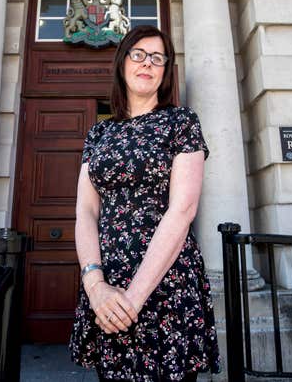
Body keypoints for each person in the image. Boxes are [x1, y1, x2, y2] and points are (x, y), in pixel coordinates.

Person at [69, 25, 221, 381]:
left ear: (166, 71)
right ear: (123, 63)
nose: (147, 63)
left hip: (164, 282)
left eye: (157, 58)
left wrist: (132, 300)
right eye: (138, 54)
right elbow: (86, 211)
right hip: (107, 282)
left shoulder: (181, 122)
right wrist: (96, 287)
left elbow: (183, 210)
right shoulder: (100, 133)